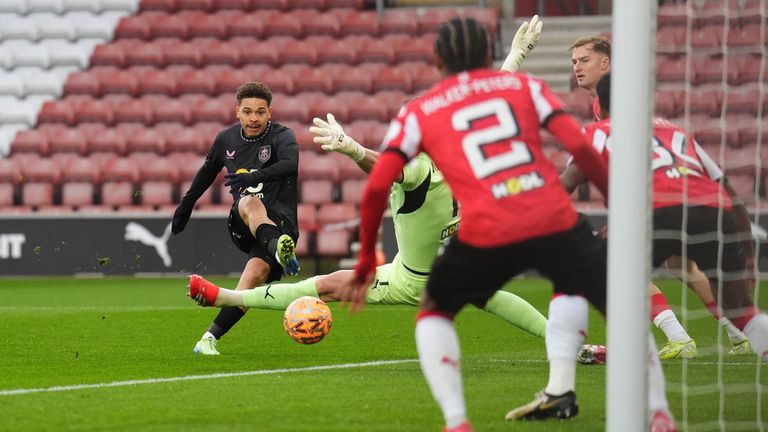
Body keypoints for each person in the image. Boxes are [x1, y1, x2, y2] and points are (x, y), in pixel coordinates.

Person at [337, 17, 615, 430]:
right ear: (487, 55)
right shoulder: (524, 88)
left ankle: (456, 421)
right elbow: (580, 144)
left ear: (437, 61)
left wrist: (364, 262)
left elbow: (379, 185)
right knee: (600, 298)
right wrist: (616, 200)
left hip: (490, 224)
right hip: (550, 212)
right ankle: (652, 411)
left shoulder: (422, 109)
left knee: (433, 310)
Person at [187, 113, 549, 341]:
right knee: (493, 297)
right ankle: (564, 343)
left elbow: (384, 168)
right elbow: (487, 110)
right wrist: (514, 59)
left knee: (322, 288)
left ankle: (226, 297)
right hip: (458, 268)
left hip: (415, 279)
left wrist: (352, 148)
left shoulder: (421, 167)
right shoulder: (463, 155)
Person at [568, 35, 752, 358]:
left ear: (605, 63)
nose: (576, 68)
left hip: (658, 198)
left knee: (623, 265)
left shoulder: (615, 103)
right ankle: (740, 333)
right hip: (680, 197)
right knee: (681, 265)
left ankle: (676, 337)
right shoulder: (607, 102)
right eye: (573, 62)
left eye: (584, 60)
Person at [172, 81, 301, 356]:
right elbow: (206, 172)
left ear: (269, 113)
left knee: (249, 284)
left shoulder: (283, 136)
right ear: (237, 112)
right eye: (248, 111)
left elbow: (291, 164)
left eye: (260, 112)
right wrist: (186, 205)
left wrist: (253, 176)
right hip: (243, 222)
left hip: (282, 224)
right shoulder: (226, 139)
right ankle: (279, 249)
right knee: (251, 201)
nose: (254, 117)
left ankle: (207, 339)